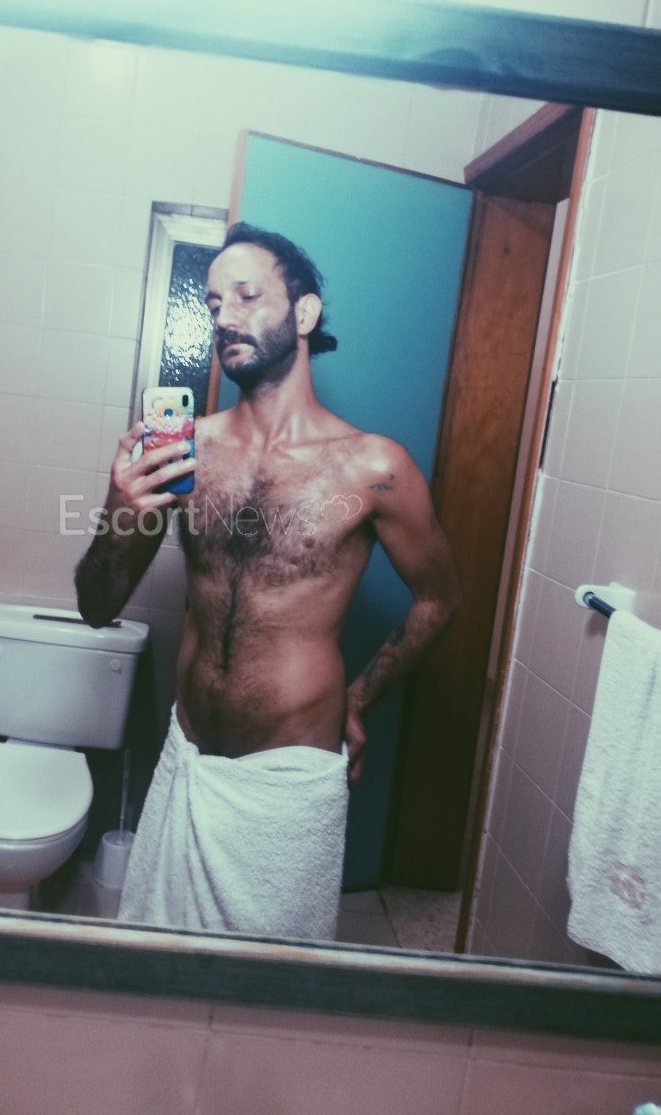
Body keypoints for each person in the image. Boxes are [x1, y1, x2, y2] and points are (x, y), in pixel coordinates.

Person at [75, 222, 460, 940]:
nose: (224, 316)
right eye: (214, 302)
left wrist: (357, 698)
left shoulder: (372, 468)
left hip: (288, 785)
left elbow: (440, 598)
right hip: (188, 763)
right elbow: (96, 608)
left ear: (303, 313)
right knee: (155, 971)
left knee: (271, 989)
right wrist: (119, 509)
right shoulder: (186, 452)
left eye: (247, 296)